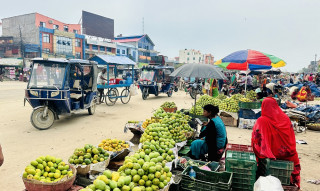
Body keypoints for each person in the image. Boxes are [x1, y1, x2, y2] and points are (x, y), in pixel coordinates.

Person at [251, 98, 300, 188]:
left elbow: (257, 141)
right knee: (289, 184)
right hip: (289, 156)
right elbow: (291, 137)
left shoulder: (262, 121)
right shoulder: (285, 118)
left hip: (270, 162)